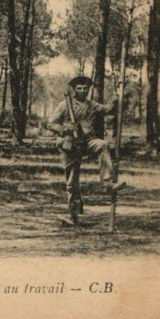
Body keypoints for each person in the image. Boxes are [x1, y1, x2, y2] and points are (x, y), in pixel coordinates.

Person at [47, 76, 126, 223]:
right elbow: (51, 124)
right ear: (74, 89)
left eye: (85, 88)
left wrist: (118, 94)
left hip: (87, 142)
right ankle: (74, 213)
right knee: (72, 181)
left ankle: (107, 182)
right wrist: (64, 129)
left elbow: (109, 109)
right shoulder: (65, 105)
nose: (82, 91)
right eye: (79, 88)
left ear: (89, 89)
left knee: (103, 145)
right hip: (69, 145)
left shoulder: (92, 105)